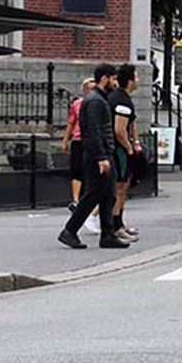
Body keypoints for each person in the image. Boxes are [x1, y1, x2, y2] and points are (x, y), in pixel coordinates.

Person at [58, 63, 127, 250]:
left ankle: (107, 234)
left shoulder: (98, 99)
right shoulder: (96, 101)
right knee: (93, 195)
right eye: (113, 78)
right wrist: (101, 157)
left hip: (102, 153)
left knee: (108, 196)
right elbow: (94, 131)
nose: (115, 82)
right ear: (104, 78)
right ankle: (70, 231)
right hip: (99, 155)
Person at [106, 63, 141, 243]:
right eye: (136, 76)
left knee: (122, 187)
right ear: (130, 80)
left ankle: (118, 222)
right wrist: (128, 147)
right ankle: (115, 225)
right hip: (119, 150)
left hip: (117, 148)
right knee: (120, 187)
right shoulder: (121, 101)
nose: (139, 80)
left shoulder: (118, 98)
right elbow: (119, 129)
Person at [62, 77, 96, 210]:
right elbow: (71, 123)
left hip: (92, 140)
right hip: (78, 139)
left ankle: (89, 198)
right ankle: (76, 200)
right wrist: (65, 140)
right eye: (88, 88)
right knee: (77, 169)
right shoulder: (77, 104)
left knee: (91, 170)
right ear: (84, 90)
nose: (91, 91)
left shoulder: (99, 102)